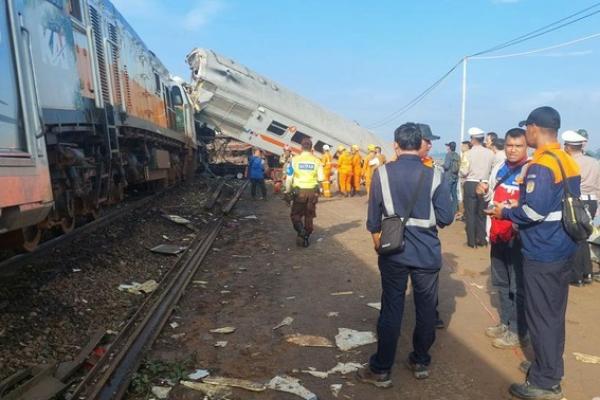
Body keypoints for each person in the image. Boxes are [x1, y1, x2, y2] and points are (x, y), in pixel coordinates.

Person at [488, 106, 580, 400]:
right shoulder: (567, 160)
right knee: (552, 313)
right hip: (562, 246)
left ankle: (546, 381)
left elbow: (533, 210)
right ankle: (546, 364)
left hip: (543, 250)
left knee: (542, 316)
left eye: (525, 130)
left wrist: (505, 211)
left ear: (533, 129)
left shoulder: (542, 165)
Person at [358, 122, 453, 388]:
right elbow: (446, 216)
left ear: (396, 145)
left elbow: (373, 220)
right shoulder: (435, 175)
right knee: (425, 310)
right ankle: (420, 361)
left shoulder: (382, 173)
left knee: (391, 308)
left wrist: (377, 239)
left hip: (393, 253)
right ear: (420, 144)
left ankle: (381, 369)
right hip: (426, 254)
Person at [479, 128, 529, 349]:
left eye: (518, 146)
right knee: (501, 281)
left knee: (517, 284)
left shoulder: (531, 170)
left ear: (526, 147)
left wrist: (511, 208)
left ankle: (518, 331)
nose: (512, 150)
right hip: (498, 232)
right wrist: (484, 191)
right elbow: (492, 194)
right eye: (509, 145)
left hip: (518, 236)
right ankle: (505, 322)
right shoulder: (500, 167)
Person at [562, 129, 600, 286]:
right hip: (591, 201)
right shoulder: (594, 162)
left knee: (575, 237)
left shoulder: (569, 162)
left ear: (569, 147)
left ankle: (577, 275)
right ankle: (587, 272)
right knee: (583, 238)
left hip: (575, 202)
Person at [285, 138, 323, 247]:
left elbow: (288, 178)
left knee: (295, 214)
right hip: (312, 192)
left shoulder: (295, 160)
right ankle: (305, 236)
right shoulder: (317, 161)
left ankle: (301, 231)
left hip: (299, 192)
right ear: (311, 148)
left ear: (301, 147)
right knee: (309, 215)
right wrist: (317, 191)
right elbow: (320, 178)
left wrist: (287, 191)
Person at [460, 127, 494, 248]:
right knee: (482, 213)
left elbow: (463, 171)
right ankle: (482, 239)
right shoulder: (490, 153)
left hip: (471, 183)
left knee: (470, 213)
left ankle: (472, 241)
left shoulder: (467, 154)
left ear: (473, 140)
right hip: (484, 183)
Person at [443, 141, 461, 214]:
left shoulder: (448, 155)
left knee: (446, 194)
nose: (447, 148)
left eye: (448, 146)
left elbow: (446, 166)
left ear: (450, 147)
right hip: (455, 177)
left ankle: (447, 210)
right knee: (454, 194)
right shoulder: (457, 155)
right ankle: (455, 210)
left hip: (449, 177)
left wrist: (442, 165)